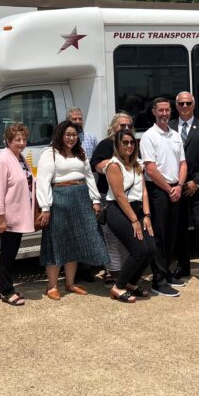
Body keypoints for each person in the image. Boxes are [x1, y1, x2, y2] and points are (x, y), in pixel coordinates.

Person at [36, 121, 109, 300]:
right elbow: (43, 181)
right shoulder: (50, 153)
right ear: (60, 135)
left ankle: (70, 283)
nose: (71, 138)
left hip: (81, 199)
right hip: (59, 200)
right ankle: (52, 286)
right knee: (56, 243)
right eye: (67, 134)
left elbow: (89, 177)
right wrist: (45, 207)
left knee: (74, 242)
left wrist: (95, 199)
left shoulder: (80, 153)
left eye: (74, 135)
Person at [169, 91, 199, 289]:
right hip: (176, 187)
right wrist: (177, 184)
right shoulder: (169, 127)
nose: (185, 106)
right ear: (176, 105)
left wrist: (196, 182)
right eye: (181, 103)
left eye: (188, 103)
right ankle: (183, 266)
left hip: (197, 188)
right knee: (179, 228)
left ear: (194, 105)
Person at [140, 97, 187, 298]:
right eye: (161, 110)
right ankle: (158, 280)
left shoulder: (175, 135)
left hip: (175, 189)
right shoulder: (149, 136)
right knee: (158, 236)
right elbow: (150, 168)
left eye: (167, 110)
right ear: (154, 112)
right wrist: (169, 189)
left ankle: (167, 273)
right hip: (159, 191)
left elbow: (183, 163)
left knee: (171, 234)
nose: (165, 114)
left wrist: (180, 186)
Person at [105, 130, 156, 303]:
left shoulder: (137, 164)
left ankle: (132, 282)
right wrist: (134, 220)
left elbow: (144, 192)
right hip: (119, 210)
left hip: (138, 210)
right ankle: (118, 287)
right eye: (125, 142)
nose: (129, 146)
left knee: (151, 250)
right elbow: (119, 196)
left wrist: (147, 215)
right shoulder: (113, 165)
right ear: (118, 145)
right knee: (139, 250)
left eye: (132, 142)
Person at [0, 123, 36, 306]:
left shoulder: (19, 158)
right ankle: (5, 290)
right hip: (8, 218)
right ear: (8, 141)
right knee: (7, 255)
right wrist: (0, 218)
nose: (22, 142)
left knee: (12, 253)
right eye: (17, 139)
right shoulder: (3, 160)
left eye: (24, 139)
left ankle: (6, 287)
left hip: (19, 215)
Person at [90, 112, 133, 282]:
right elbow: (96, 165)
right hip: (108, 198)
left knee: (126, 235)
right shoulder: (105, 145)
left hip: (129, 197)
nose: (126, 128)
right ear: (113, 127)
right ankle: (112, 271)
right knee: (111, 236)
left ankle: (125, 270)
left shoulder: (132, 144)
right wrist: (115, 166)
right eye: (122, 126)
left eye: (129, 126)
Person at [67, 106, 100, 283]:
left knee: (87, 230)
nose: (78, 122)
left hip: (88, 191)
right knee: (73, 231)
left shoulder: (91, 139)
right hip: (71, 193)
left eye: (80, 119)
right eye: (75, 119)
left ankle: (86, 268)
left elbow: (95, 164)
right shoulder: (64, 141)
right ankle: (72, 269)